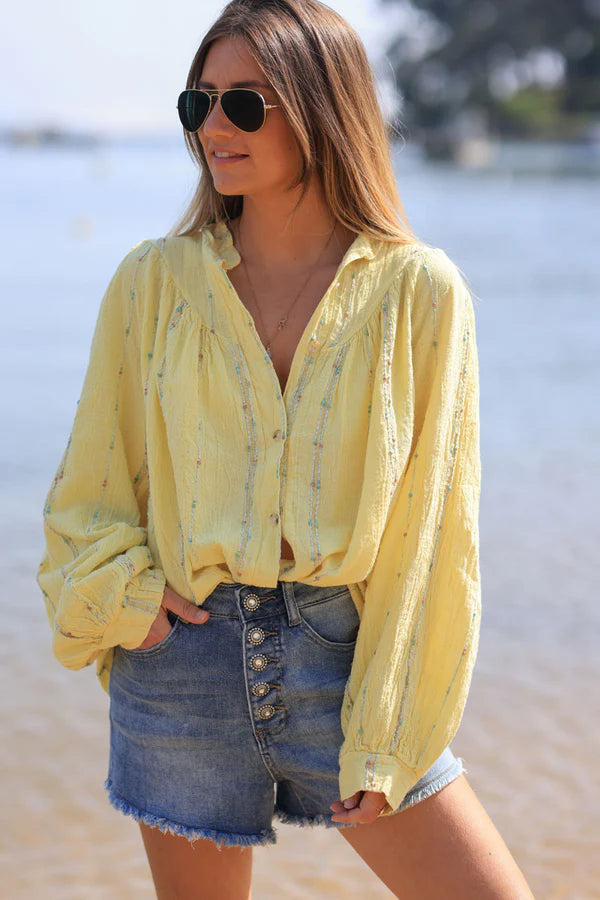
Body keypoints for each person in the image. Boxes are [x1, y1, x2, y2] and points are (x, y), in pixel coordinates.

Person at [36, 1, 535, 897]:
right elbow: (91, 486)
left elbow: (433, 531)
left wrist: (390, 728)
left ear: (322, 109)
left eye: (246, 104)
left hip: (339, 657)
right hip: (180, 665)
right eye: (199, 104)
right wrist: (126, 602)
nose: (215, 127)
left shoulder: (420, 292)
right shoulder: (153, 282)